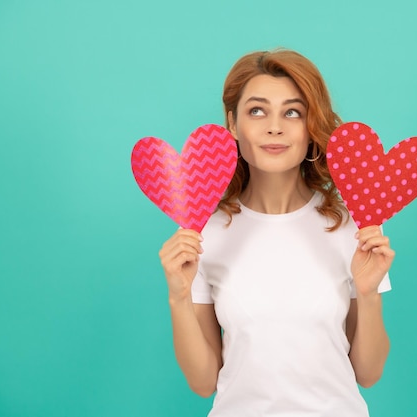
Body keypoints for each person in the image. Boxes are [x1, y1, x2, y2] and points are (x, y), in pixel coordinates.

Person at [158, 49, 395, 417]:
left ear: (310, 125)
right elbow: (203, 383)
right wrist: (178, 298)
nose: (275, 127)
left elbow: (369, 372)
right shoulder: (203, 230)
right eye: (257, 110)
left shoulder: (353, 223)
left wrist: (368, 294)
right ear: (233, 124)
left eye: (292, 112)